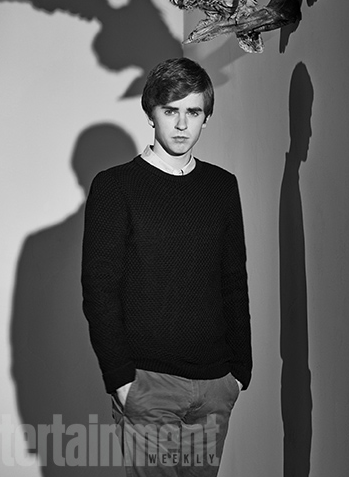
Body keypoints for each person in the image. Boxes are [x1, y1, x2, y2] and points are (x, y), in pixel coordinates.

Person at [81, 57, 252, 476]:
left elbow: (233, 281)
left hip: (215, 386)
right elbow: (99, 289)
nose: (181, 124)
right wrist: (121, 380)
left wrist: (239, 373)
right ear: (151, 113)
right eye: (170, 110)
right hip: (148, 382)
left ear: (206, 117)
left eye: (193, 112)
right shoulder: (114, 186)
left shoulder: (221, 187)